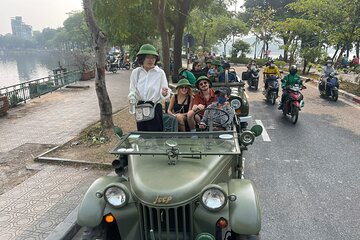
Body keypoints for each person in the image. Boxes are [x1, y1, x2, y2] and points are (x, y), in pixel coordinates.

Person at [128, 43, 170, 131]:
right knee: (142, 135)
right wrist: (132, 97)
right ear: (142, 58)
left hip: (154, 107)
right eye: (148, 57)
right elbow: (132, 90)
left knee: (155, 136)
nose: (151, 60)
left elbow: (165, 91)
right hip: (140, 107)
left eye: (153, 57)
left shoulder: (160, 73)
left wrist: (164, 93)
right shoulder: (136, 72)